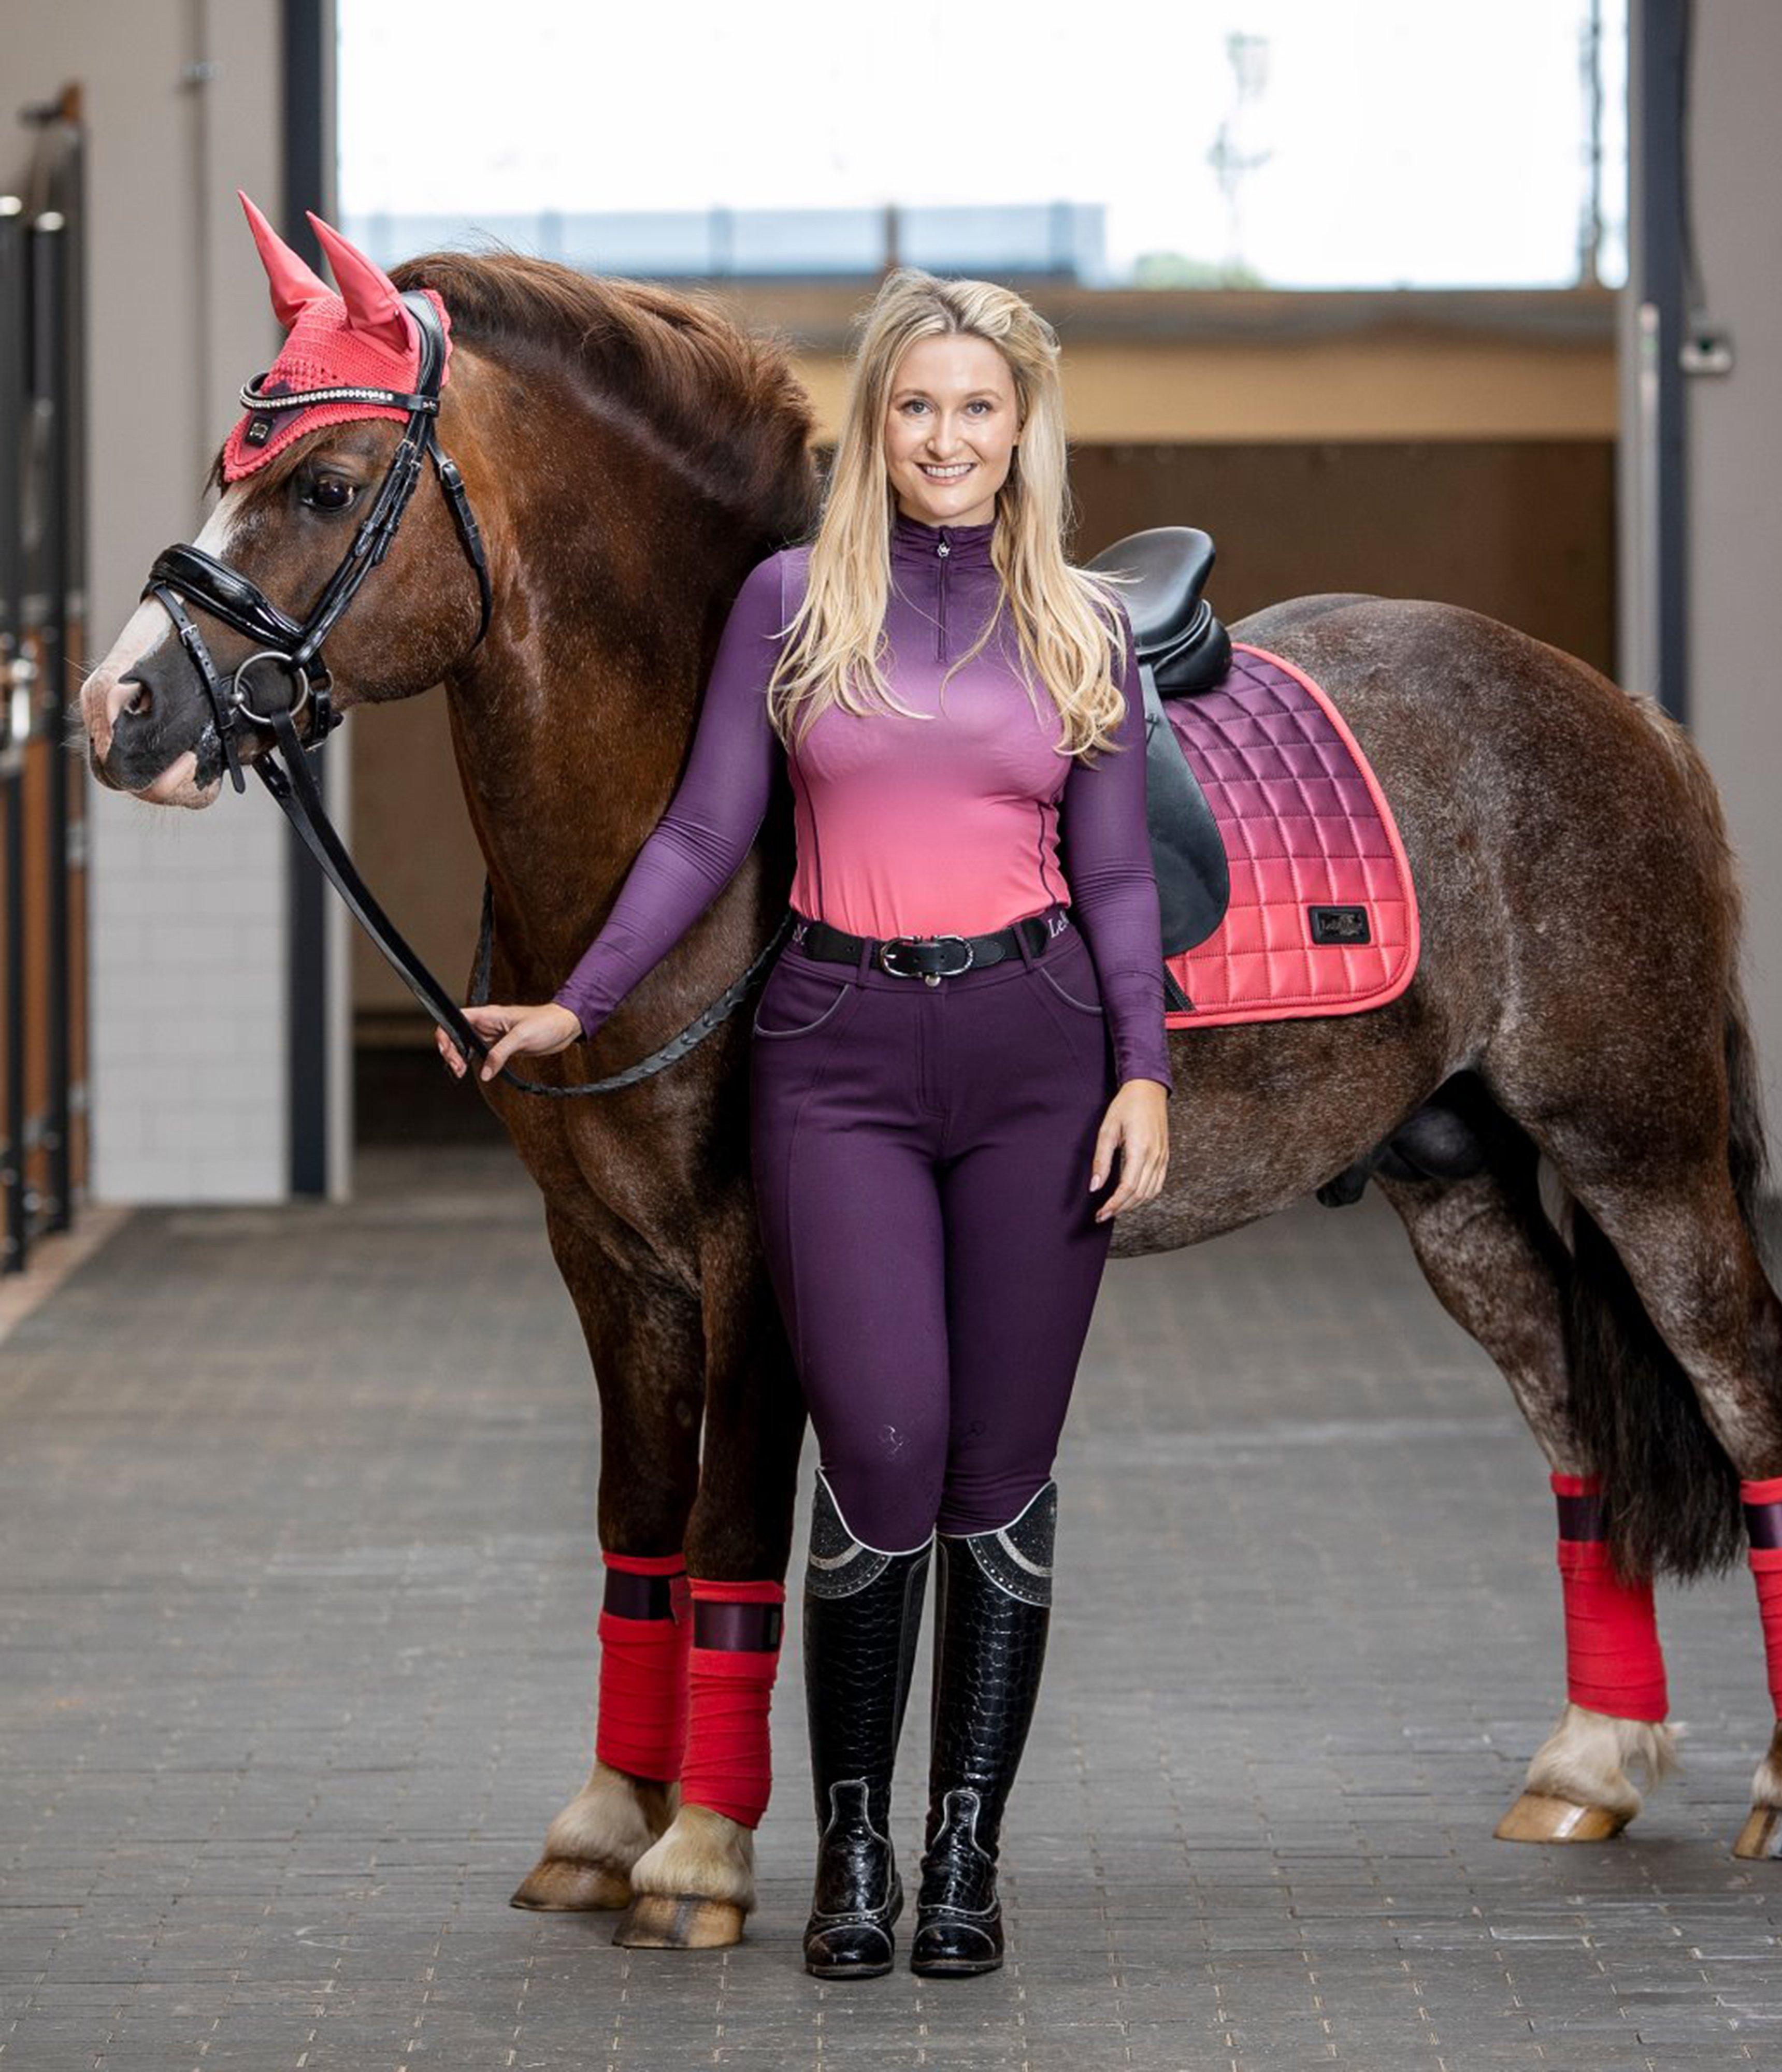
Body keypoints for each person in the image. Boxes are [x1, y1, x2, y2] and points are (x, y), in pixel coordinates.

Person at [441, 267, 1172, 1980]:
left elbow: (1122, 877)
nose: (945, 437)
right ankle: (851, 1849)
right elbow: (704, 835)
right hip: (837, 1054)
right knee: (883, 1457)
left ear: (1024, 428)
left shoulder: (1083, 627)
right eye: (916, 406)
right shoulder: (792, 603)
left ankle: (963, 1856)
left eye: (978, 408)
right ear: (877, 422)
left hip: (1040, 1054)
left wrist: (1143, 1071)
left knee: (999, 1481)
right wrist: (580, 1001)